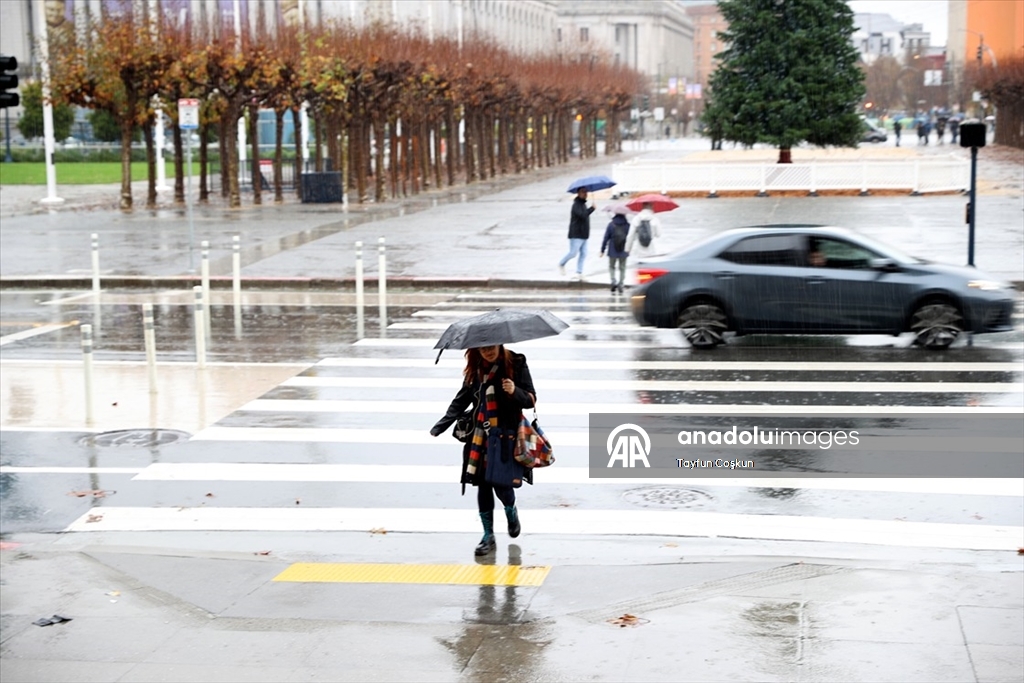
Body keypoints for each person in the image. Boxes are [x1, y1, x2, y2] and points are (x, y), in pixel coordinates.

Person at [430, 344, 536, 556]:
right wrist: (442, 424)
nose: (488, 351)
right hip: (479, 435)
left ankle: (511, 511)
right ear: (476, 350)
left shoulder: (516, 363)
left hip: (506, 435)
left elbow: (531, 399)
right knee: (482, 484)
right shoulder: (475, 368)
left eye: (491, 347)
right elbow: (462, 399)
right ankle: (488, 535)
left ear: (499, 344)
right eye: (482, 348)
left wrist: (515, 391)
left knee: (501, 483)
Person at [559, 188, 595, 280]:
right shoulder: (576, 205)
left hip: (584, 234)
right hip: (576, 234)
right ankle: (562, 263)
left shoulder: (583, 204)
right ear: (578, 193)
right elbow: (582, 215)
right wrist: (592, 209)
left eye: (586, 192)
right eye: (583, 192)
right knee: (573, 253)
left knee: (584, 253)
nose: (585, 194)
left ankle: (579, 272)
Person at [600, 211, 630, 293]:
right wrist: (629, 249)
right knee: (622, 268)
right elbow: (631, 238)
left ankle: (613, 281)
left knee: (611, 266)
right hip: (624, 250)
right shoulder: (627, 225)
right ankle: (621, 284)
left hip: (612, 250)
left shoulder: (611, 224)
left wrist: (602, 250)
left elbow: (606, 238)